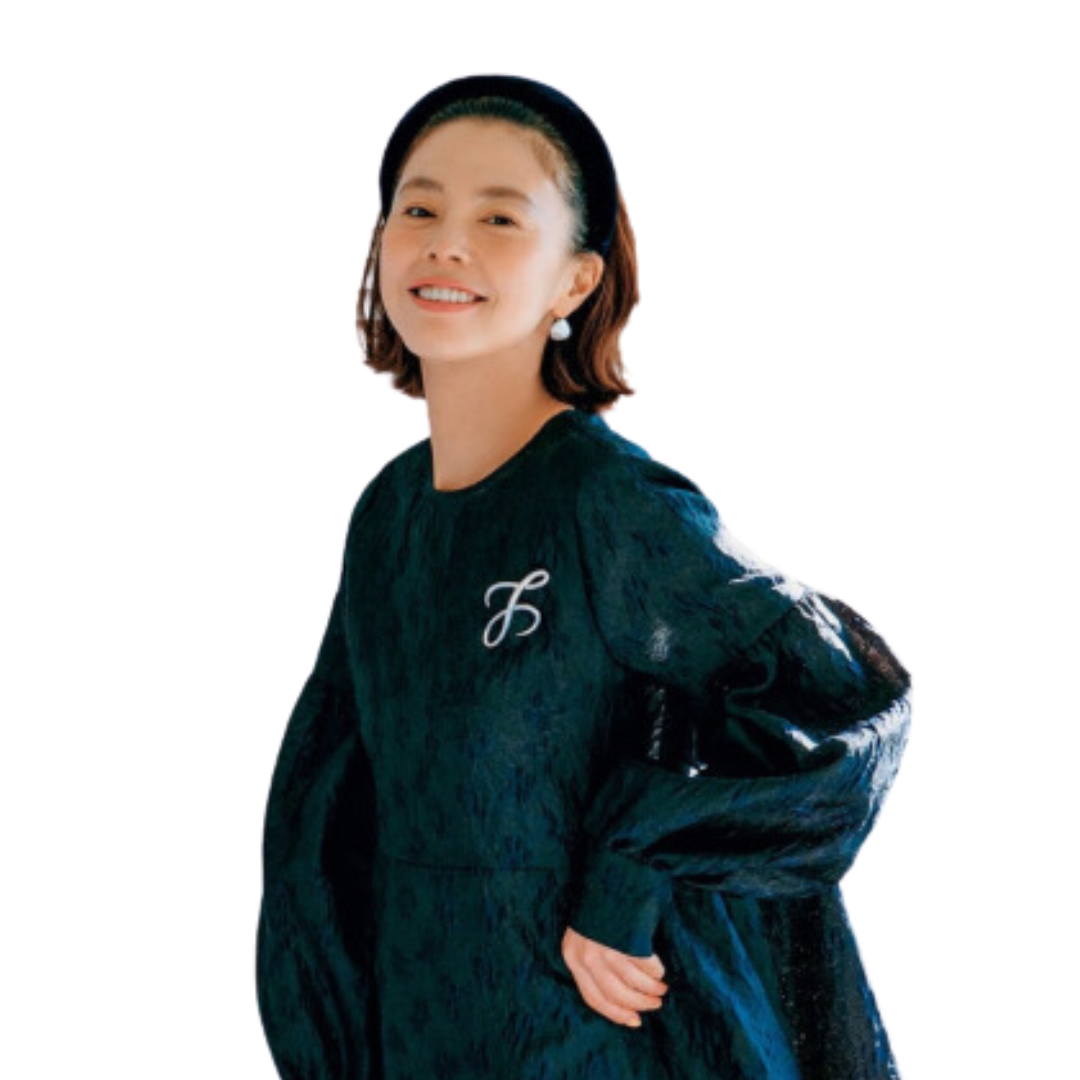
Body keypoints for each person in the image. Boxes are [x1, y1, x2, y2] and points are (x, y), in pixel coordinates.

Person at [255, 74, 913, 1080]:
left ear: (574, 281)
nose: (446, 242)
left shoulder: (611, 505)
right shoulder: (389, 516)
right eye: (419, 210)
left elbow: (840, 700)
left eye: (499, 218)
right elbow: (330, 810)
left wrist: (630, 872)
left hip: (588, 1039)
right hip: (424, 1032)